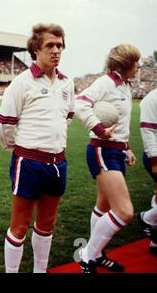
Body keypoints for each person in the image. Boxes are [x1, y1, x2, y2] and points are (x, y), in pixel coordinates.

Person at [0, 23, 74, 273]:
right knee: (19, 225)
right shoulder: (22, 82)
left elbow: (67, 118)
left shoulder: (67, 82)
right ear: (36, 49)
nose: (56, 50)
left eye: (60, 45)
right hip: (28, 162)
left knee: (47, 223)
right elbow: (4, 126)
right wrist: (20, 150)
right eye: (50, 45)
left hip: (57, 163)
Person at [75, 44, 141, 273]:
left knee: (103, 206)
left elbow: (120, 125)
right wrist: (100, 130)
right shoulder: (106, 83)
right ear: (125, 64)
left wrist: (128, 147)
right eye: (136, 62)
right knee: (124, 211)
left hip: (117, 151)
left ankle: (97, 255)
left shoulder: (125, 87)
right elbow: (80, 103)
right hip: (101, 149)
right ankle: (88, 255)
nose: (139, 67)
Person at [138, 87, 157, 256]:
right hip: (155, 155)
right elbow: (148, 130)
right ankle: (149, 218)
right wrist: (155, 161)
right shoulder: (152, 98)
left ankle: (155, 239)